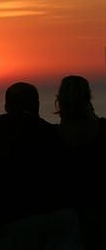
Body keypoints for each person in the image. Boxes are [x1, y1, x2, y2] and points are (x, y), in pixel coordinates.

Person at [0, 82, 82, 249]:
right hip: (60, 216)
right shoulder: (51, 132)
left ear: (6, 105)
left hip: (17, 217)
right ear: (37, 105)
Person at [55, 75, 106, 249]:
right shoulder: (102, 130)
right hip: (99, 208)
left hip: (65, 212)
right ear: (88, 98)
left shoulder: (52, 136)